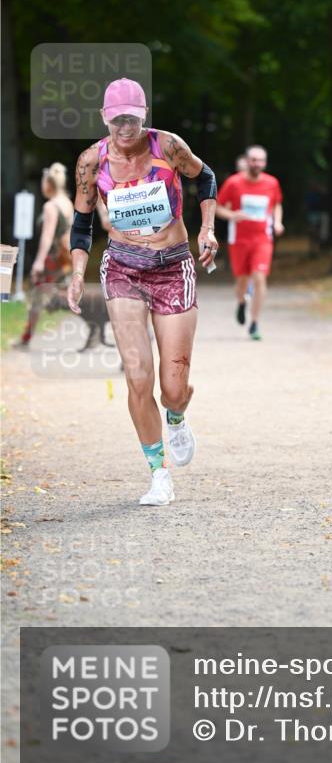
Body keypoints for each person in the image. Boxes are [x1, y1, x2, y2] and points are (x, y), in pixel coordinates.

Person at [66, 77, 218, 506]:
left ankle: (176, 416)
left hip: (172, 267)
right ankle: (158, 474)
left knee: (173, 386)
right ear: (105, 119)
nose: (125, 130)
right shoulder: (91, 162)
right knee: (137, 378)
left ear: (144, 115)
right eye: (117, 122)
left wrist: (206, 230)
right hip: (123, 269)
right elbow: (81, 225)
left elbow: (205, 178)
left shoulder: (167, 146)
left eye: (132, 120)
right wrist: (78, 273)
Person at [215, 144, 284, 340]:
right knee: (242, 282)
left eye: (261, 160)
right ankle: (242, 302)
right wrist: (232, 215)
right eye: (254, 160)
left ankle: (254, 323)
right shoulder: (234, 183)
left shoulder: (272, 183)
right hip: (239, 240)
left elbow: (277, 204)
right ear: (247, 161)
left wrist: (277, 222)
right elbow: (218, 207)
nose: (257, 164)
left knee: (259, 278)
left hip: (262, 239)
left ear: (265, 163)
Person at [15, 163, 74, 347]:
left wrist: (38, 262)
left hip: (53, 257)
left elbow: (47, 236)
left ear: (48, 184)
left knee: (37, 295)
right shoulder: (67, 202)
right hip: (67, 256)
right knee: (65, 295)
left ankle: (26, 338)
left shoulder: (50, 206)